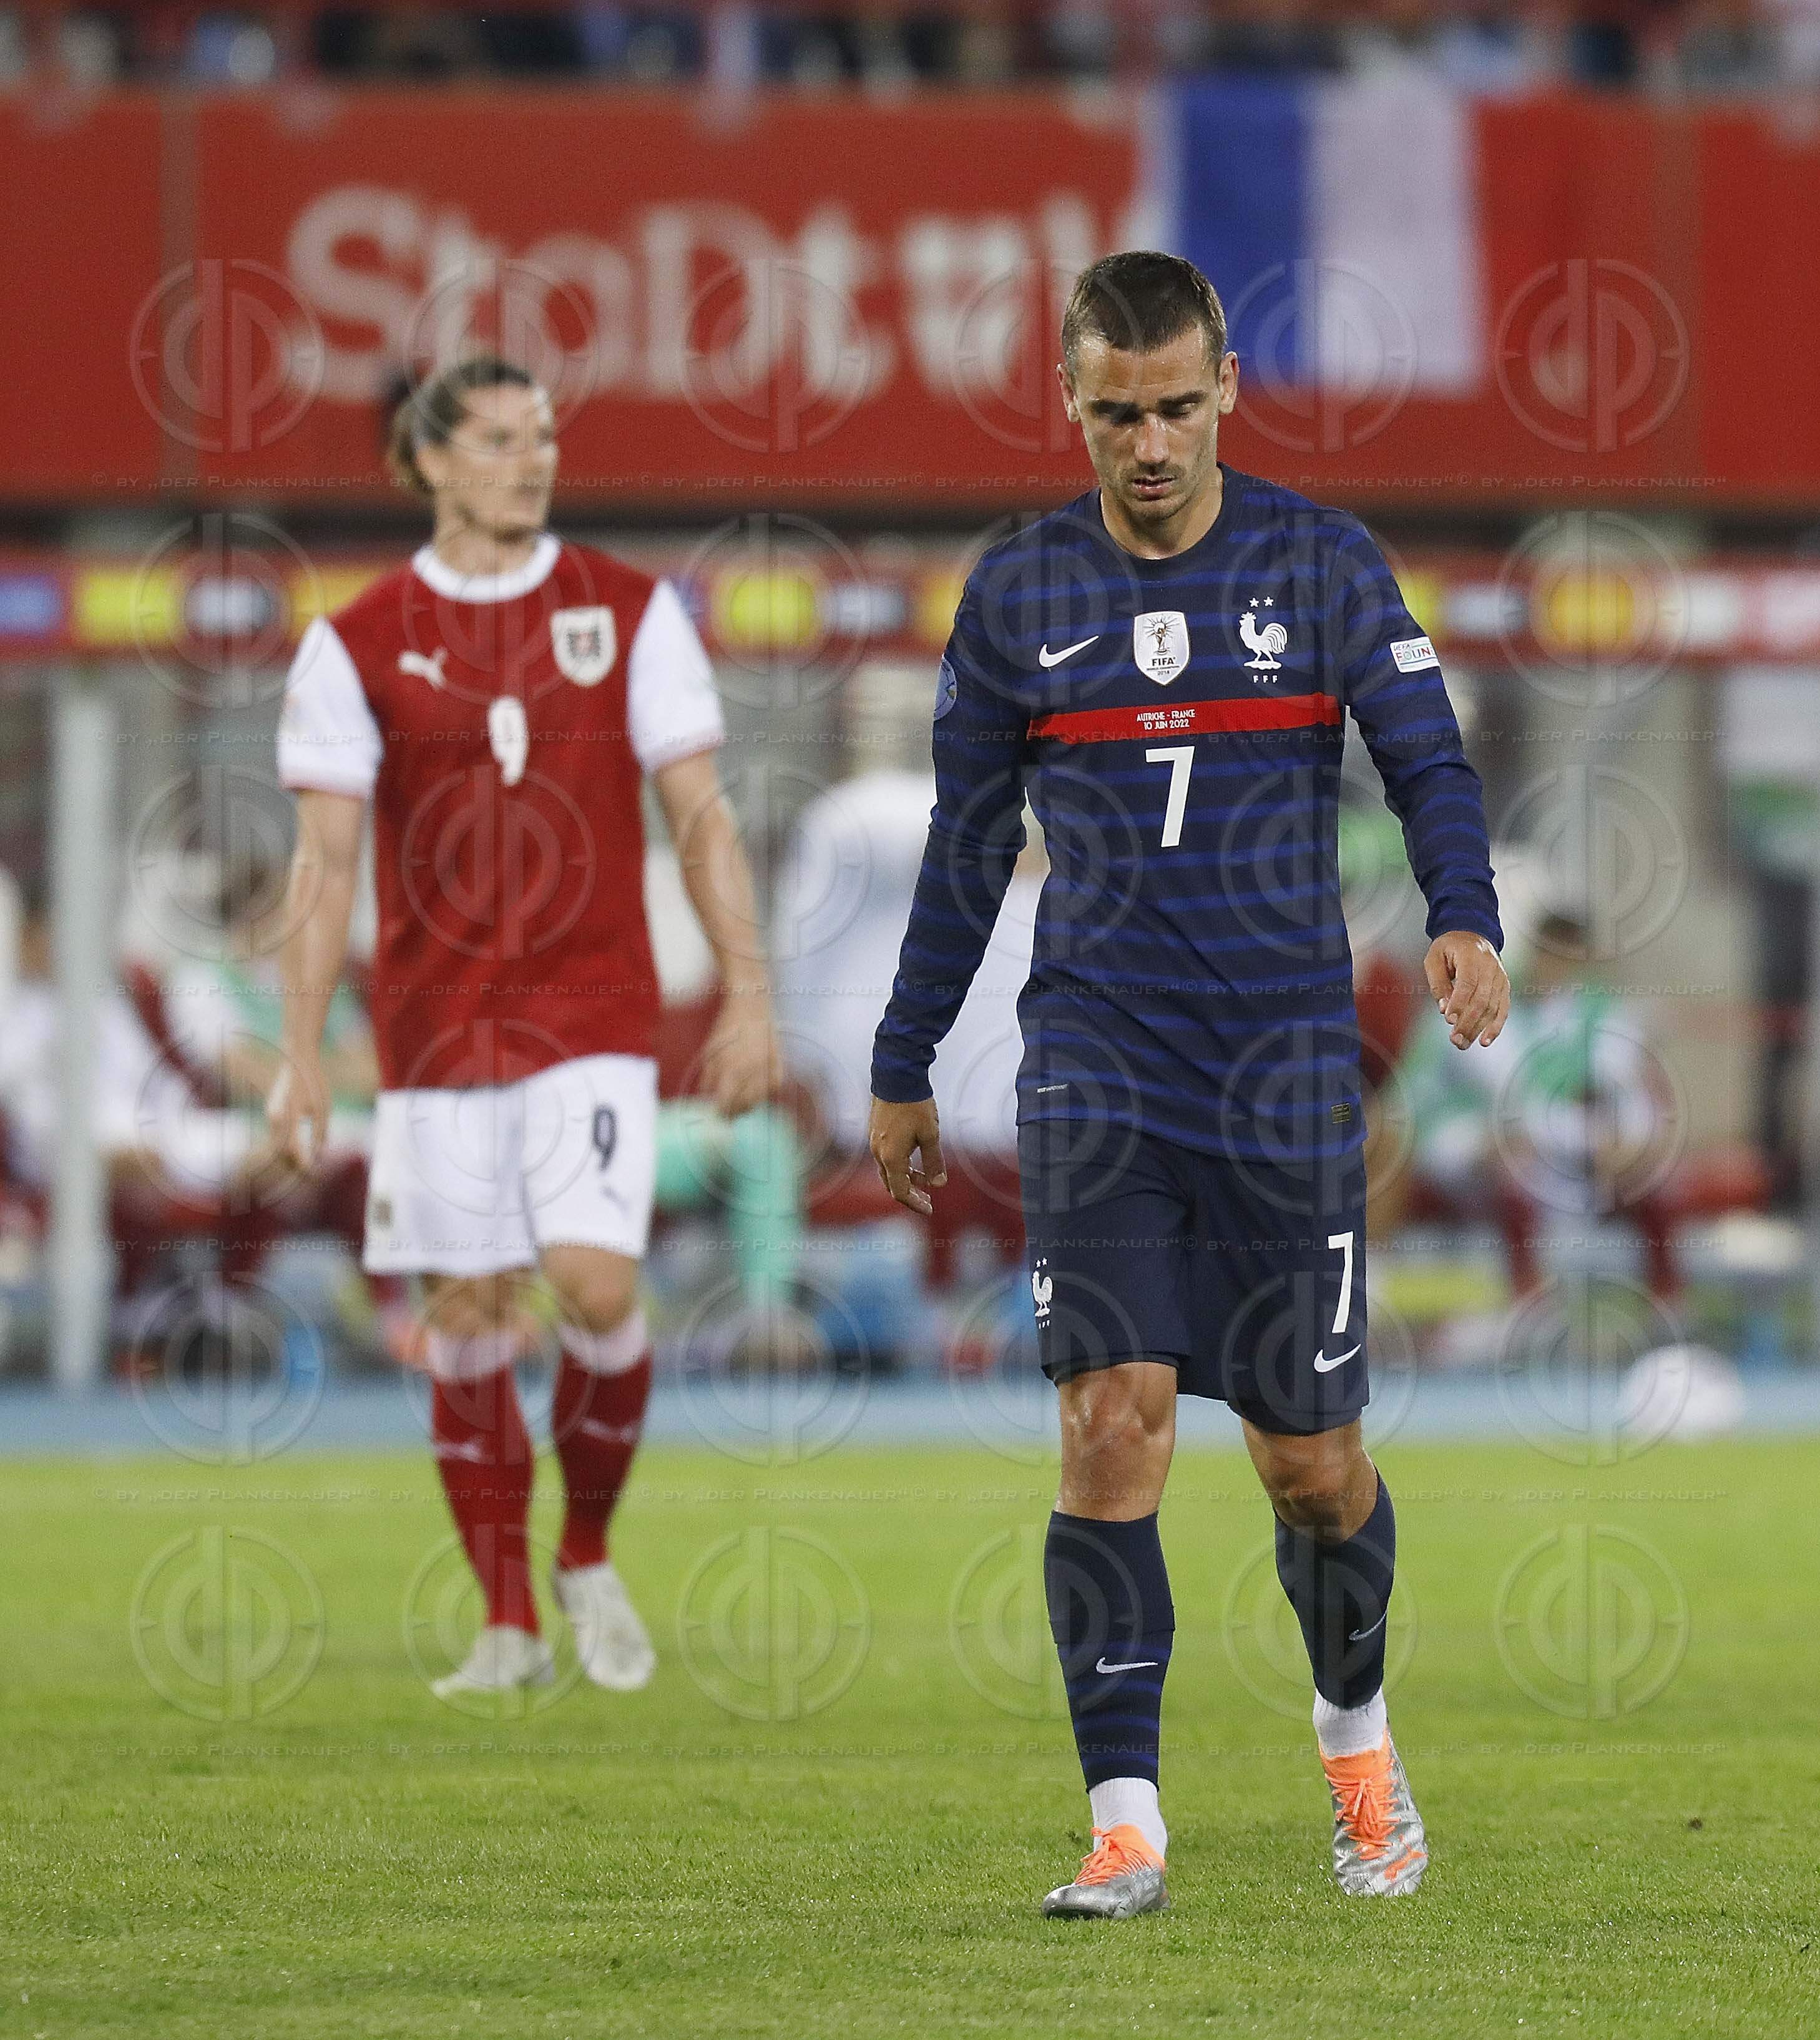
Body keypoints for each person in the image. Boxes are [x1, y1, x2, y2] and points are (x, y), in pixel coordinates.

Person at [868, 253, 1509, 1914]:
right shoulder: (1017, 592)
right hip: (1094, 1065)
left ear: (1225, 382)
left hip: (1282, 1079)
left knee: (1309, 1465)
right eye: (1111, 411)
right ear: (1066, 402)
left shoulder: (1320, 559)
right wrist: (903, 1056)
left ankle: (1355, 1739)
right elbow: (960, 848)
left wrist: (1461, 917)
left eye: (1171, 405)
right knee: (1109, 1431)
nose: (1145, 442)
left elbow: (1424, 759)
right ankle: (1125, 1822)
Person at [270, 354, 778, 1699]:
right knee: (469, 1310)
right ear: (428, 458)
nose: (531, 458)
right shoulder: (357, 639)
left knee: (596, 1284)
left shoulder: (626, 611)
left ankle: (588, 1548)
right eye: (498, 437)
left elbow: (702, 814)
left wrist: (749, 987)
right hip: (435, 1032)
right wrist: (300, 1048)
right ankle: (506, 1623)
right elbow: (322, 865)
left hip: (592, 1011)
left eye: (543, 435)